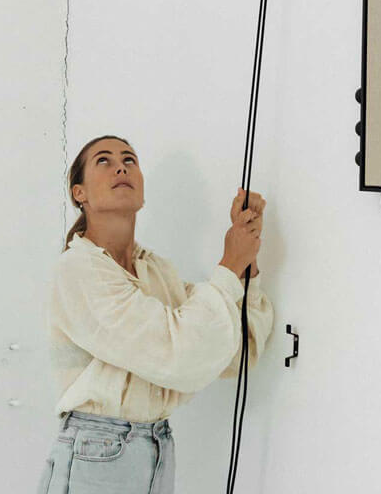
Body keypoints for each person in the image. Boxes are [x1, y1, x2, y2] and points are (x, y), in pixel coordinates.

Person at [37, 134, 274, 493]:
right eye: (104, 160)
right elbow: (179, 355)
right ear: (79, 193)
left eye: (129, 160)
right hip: (97, 452)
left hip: (156, 447)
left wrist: (245, 264)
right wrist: (229, 264)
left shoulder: (157, 272)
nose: (121, 167)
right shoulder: (79, 270)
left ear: (143, 191)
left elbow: (233, 351)